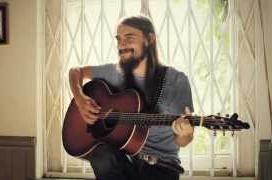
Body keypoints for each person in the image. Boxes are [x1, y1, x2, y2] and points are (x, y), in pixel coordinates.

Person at [69, 15, 194, 180]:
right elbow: (75, 71)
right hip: (119, 161)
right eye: (118, 39)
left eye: (129, 38)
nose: (121, 45)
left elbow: (183, 141)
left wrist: (185, 132)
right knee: (102, 154)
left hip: (161, 166)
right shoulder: (113, 72)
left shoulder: (176, 80)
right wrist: (80, 98)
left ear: (150, 39)